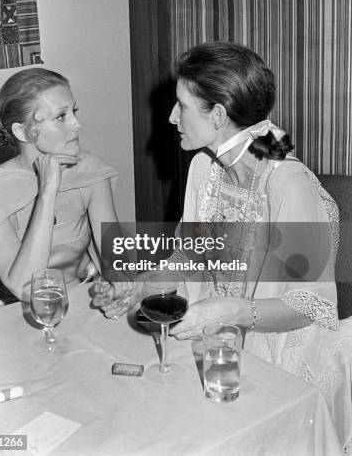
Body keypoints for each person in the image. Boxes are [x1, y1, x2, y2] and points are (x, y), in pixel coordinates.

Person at [93, 42, 351, 449]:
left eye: (182, 105)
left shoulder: (287, 183)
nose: (171, 116)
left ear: (217, 114)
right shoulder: (203, 169)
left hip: (281, 358)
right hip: (219, 342)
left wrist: (226, 311)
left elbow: (310, 306)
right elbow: (186, 258)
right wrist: (136, 287)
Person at [0, 68, 119, 316]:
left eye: (73, 111)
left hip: (77, 304)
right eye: (60, 117)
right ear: (22, 132)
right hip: (10, 315)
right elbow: (25, 288)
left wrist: (116, 286)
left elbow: (118, 258)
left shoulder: (90, 172)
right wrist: (47, 192)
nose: (77, 124)